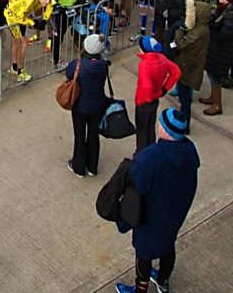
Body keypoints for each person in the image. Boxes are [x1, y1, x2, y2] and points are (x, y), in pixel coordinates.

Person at [114, 109, 199, 293]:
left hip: (152, 214)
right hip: (176, 210)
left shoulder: (152, 157)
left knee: (143, 252)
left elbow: (138, 183)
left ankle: (140, 289)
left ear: (167, 131)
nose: (158, 126)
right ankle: (163, 281)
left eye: (161, 124)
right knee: (168, 245)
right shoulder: (190, 151)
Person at [65, 34, 109, 177]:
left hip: (80, 106)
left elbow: (68, 74)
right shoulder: (103, 66)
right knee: (93, 134)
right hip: (97, 106)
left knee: (79, 135)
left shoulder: (79, 64)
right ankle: (92, 166)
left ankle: (78, 166)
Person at [133, 36, 181, 153]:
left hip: (143, 101)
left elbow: (147, 86)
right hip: (155, 98)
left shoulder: (144, 64)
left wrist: (148, 98)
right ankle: (151, 150)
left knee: (142, 129)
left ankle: (141, 154)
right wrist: (164, 89)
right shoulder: (162, 58)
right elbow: (176, 72)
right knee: (150, 127)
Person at [199, 0, 233, 116]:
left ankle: (217, 104)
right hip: (217, 50)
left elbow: (223, 35)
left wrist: (213, 28)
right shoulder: (225, 10)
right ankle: (213, 97)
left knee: (215, 77)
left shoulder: (231, 16)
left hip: (221, 52)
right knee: (213, 76)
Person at [4, 0, 56, 83]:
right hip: (12, 16)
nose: (48, 1)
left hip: (22, 14)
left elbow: (50, 7)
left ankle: (15, 68)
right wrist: (34, 23)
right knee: (22, 42)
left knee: (18, 41)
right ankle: (20, 72)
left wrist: (44, 19)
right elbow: (19, 17)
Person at [172, 0, 211, 131]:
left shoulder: (197, 33)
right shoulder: (202, 28)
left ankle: (184, 124)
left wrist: (180, 31)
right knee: (185, 96)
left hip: (188, 67)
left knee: (185, 99)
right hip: (191, 65)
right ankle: (184, 122)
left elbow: (181, 44)